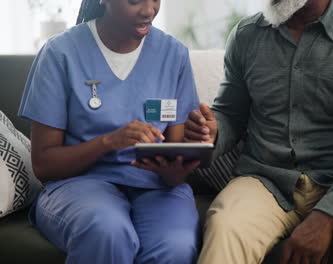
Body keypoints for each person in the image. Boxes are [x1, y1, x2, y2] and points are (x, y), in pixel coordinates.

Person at [184, 0, 333, 263]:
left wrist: (326, 216)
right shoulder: (246, 35)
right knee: (226, 225)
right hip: (265, 181)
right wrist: (213, 131)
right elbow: (231, 114)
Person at [19, 0, 201, 263]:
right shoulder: (60, 53)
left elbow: (175, 158)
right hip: (80, 185)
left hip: (156, 187)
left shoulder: (174, 55)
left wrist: (181, 163)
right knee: (107, 230)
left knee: (176, 245)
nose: (149, 10)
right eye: (134, 1)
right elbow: (44, 165)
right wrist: (108, 142)